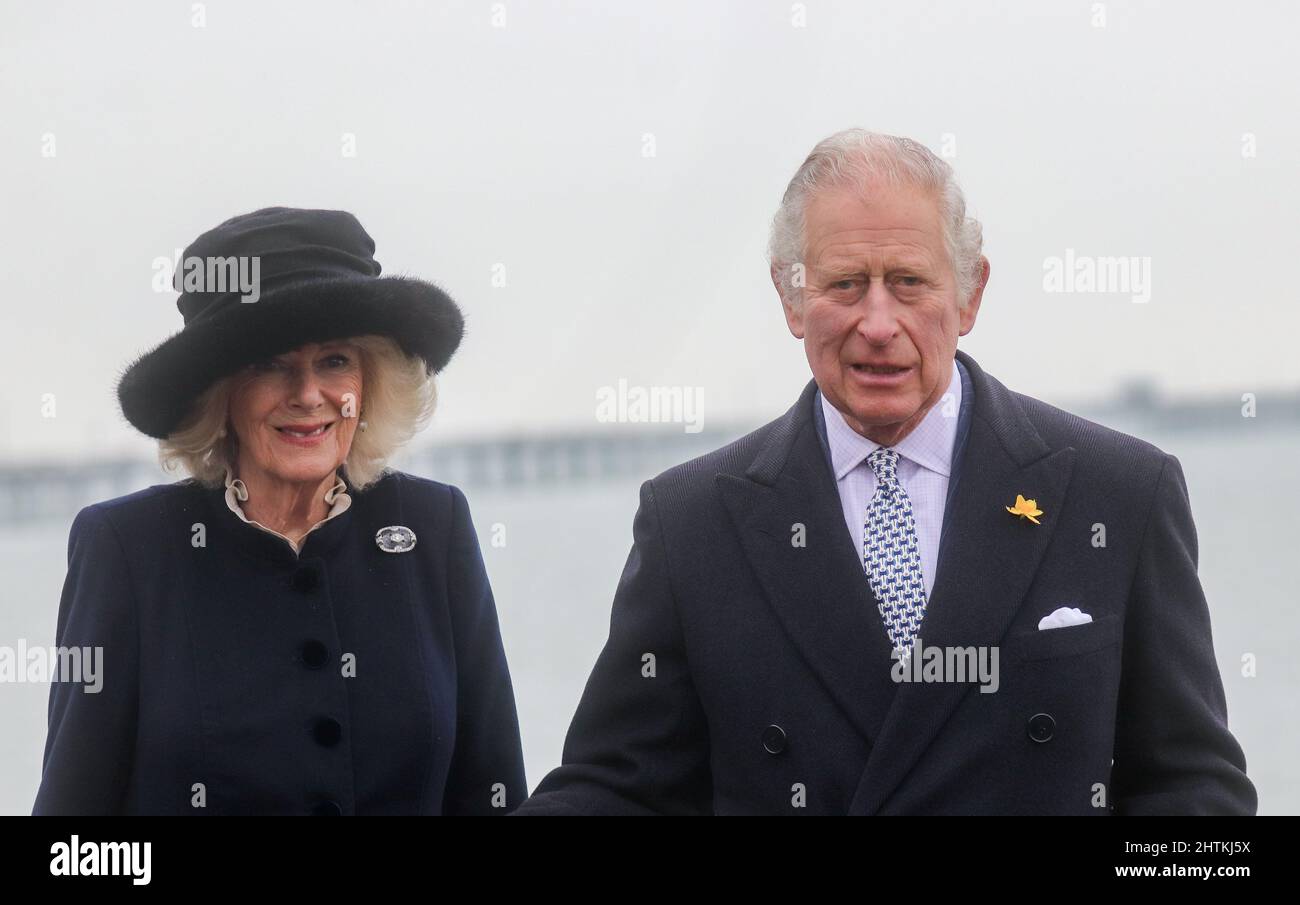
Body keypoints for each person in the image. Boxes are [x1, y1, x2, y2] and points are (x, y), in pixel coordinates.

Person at [516, 130, 1256, 815]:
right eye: (844, 284)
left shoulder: (1120, 493)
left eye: (908, 281)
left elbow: (1195, 791)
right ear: (790, 296)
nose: (877, 322)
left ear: (969, 294)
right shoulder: (691, 522)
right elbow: (620, 789)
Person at [33, 207, 525, 815]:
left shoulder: (434, 526)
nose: (308, 395)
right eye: (271, 364)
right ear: (219, 395)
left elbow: (494, 793)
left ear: (370, 381)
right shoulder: (129, 548)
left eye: (335, 361)